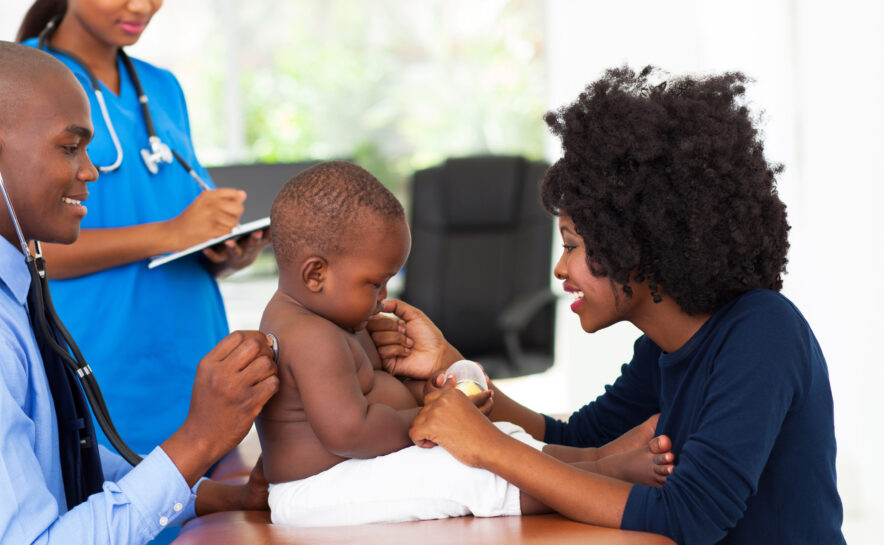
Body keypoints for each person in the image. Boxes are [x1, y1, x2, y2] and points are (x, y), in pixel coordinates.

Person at [0, 41, 277, 544]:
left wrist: (212, 495)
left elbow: (49, 461)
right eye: (69, 146)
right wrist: (199, 439)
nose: (90, 171)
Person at [369, 66, 844, 544]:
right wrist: (453, 364)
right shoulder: (663, 349)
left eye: (572, 245)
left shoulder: (763, 332)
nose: (559, 269)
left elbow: (691, 514)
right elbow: (579, 442)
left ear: (634, 244)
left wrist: (489, 449)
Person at [258, 161, 676, 526]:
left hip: (364, 466)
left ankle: (596, 461)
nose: (383, 298)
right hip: (323, 490)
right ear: (315, 275)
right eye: (374, 283)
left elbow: (383, 393)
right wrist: (431, 422)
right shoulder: (310, 336)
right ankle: (608, 475)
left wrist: (437, 395)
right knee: (464, 472)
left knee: (497, 436)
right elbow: (348, 431)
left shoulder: (338, 316)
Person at [14, 0, 271, 473]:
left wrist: (225, 253)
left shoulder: (163, 87)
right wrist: (170, 234)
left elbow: (183, 222)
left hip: (194, 358)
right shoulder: (21, 77)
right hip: (104, 364)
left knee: (220, 524)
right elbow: (29, 246)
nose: (141, 6)